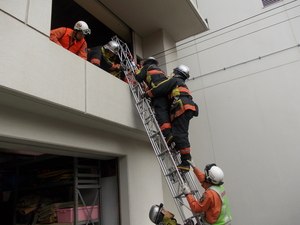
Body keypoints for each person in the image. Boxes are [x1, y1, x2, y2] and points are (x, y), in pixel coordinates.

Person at [142, 65, 198, 171]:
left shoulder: (174, 80)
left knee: (180, 134)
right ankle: (180, 147)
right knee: (181, 133)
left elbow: (160, 88)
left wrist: (148, 93)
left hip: (182, 108)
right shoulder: (182, 84)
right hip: (187, 108)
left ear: (177, 72)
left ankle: (185, 161)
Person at [135, 57, 173, 145]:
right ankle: (171, 135)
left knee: (161, 113)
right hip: (166, 93)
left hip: (157, 93)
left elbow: (139, 77)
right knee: (166, 113)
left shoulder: (146, 68)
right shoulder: (160, 70)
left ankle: (168, 135)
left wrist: (137, 71)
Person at [182, 160, 232, 225]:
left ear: (208, 179)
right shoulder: (219, 187)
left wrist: (188, 194)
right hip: (224, 222)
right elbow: (205, 181)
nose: (204, 175)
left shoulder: (209, 194)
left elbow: (196, 208)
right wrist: (195, 168)